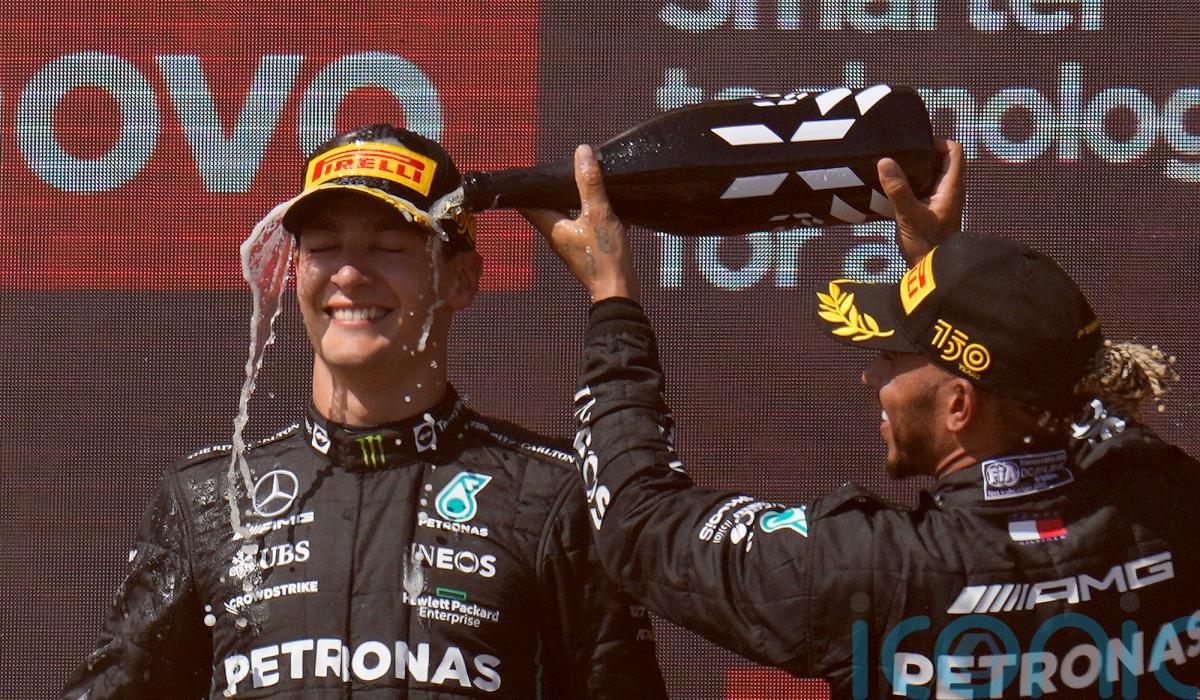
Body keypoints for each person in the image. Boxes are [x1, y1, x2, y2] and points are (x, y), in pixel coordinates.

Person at [524, 141, 1200, 698]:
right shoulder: (1170, 504)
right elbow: (1069, 392)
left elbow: (641, 525)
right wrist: (944, 273)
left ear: (959, 406)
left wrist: (611, 298)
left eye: (891, 357)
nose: (871, 377)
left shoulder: (871, 574)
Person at [64, 125, 667, 699]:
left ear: (460, 279)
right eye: (324, 247)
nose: (349, 274)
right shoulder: (210, 502)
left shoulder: (549, 497)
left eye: (387, 246)